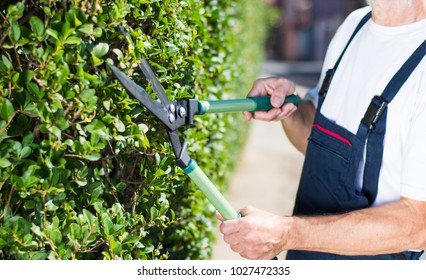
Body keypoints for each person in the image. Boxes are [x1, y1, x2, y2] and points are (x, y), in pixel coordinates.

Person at [218, 0, 426, 260]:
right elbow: (320, 143)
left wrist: (288, 232)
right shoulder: (353, 27)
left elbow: (418, 225)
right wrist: (288, 107)